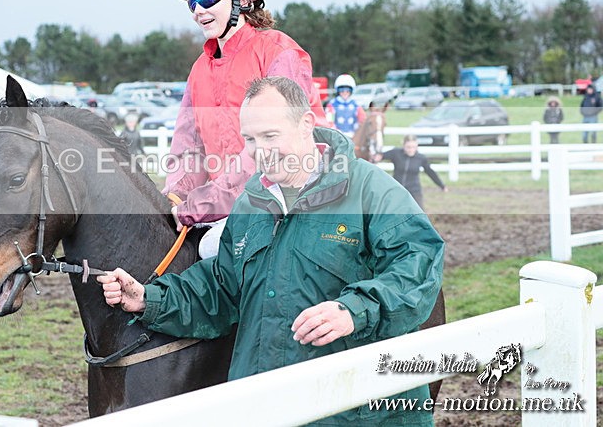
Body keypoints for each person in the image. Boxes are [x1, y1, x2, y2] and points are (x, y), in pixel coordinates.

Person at [99, 77, 444, 426]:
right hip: (264, 408)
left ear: (306, 123)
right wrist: (148, 298)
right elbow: (221, 287)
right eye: (249, 139)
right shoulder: (251, 203)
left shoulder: (371, 190)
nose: (259, 150)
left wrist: (354, 311)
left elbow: (420, 267)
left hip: (357, 413)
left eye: (270, 136)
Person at [162, 0, 331, 259]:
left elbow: (270, 149)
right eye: (191, 2)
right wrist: (175, 196)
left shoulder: (280, 53)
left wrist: (201, 204)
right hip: (227, 205)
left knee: (213, 247)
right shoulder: (200, 68)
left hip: (293, 197)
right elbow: (188, 145)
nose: (199, 11)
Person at [378, 135, 447, 209]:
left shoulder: (421, 158)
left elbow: (430, 172)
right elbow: (379, 156)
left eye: (413, 147)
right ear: (403, 145)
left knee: (419, 215)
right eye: (408, 147)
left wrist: (441, 185)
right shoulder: (396, 153)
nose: (411, 150)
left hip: (414, 191)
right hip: (397, 189)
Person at [327, 73, 365, 138]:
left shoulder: (356, 105)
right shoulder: (332, 104)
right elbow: (329, 121)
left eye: (347, 91)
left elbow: (362, 120)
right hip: (337, 137)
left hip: (354, 136)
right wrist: (337, 132)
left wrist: (357, 132)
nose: (345, 93)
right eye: (342, 90)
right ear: (338, 91)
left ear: (351, 91)